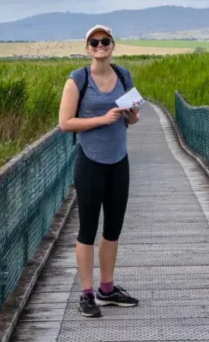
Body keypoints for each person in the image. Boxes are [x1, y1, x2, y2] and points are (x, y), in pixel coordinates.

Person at [58, 24, 141, 318]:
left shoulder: (123, 75)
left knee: (113, 228)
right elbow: (65, 123)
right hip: (90, 161)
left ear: (113, 45)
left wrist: (131, 116)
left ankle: (107, 289)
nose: (100, 45)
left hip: (119, 160)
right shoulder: (78, 79)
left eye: (105, 41)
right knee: (87, 230)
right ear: (87, 48)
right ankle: (86, 293)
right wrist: (102, 119)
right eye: (94, 42)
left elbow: (132, 120)